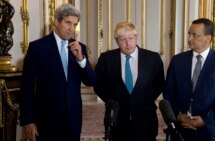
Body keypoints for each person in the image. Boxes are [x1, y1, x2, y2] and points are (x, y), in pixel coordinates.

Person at [19, 3, 96, 141]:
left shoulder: (80, 48)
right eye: (68, 23)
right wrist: (28, 121)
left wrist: (80, 59)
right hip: (46, 120)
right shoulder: (37, 48)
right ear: (56, 21)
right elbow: (27, 88)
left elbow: (91, 81)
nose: (71, 28)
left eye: (75, 24)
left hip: (73, 119)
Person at [163, 18, 215, 141]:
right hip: (181, 131)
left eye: (195, 35)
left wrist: (205, 120)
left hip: (212, 131)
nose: (189, 38)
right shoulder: (177, 60)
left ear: (208, 38)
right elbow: (168, 92)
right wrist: (178, 115)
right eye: (189, 34)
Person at [94, 21, 165, 141]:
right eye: (123, 39)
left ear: (136, 38)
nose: (128, 43)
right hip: (116, 119)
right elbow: (99, 86)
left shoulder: (152, 58)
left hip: (145, 118)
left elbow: (159, 84)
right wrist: (113, 101)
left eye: (131, 38)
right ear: (116, 41)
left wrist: (143, 99)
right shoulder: (106, 59)